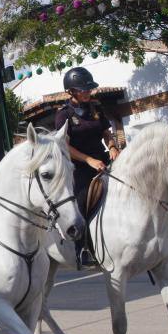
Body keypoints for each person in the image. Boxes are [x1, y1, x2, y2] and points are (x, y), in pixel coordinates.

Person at [54, 67, 120, 265]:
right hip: (79, 167)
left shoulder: (96, 109)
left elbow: (106, 132)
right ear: (71, 91)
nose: (87, 93)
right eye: (82, 90)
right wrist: (88, 160)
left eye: (88, 89)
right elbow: (64, 145)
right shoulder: (63, 115)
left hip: (103, 161)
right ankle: (82, 247)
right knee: (81, 201)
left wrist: (113, 146)